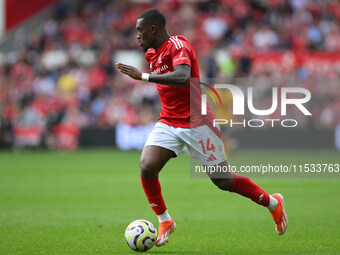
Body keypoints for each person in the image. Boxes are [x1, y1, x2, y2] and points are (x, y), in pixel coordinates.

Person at [115, 8, 287, 247]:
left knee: (223, 181)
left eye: (140, 30)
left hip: (198, 122)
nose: (137, 36)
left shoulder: (179, 45)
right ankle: (165, 220)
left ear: (153, 28)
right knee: (147, 166)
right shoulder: (152, 54)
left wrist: (143, 77)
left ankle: (273, 203)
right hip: (169, 121)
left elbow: (183, 77)